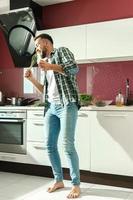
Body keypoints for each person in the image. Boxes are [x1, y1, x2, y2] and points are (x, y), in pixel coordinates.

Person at [25, 33, 81, 199]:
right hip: (51, 107)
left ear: (45, 42)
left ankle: (76, 185)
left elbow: (73, 69)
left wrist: (51, 67)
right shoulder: (45, 63)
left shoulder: (61, 52)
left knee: (67, 145)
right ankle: (59, 180)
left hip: (67, 104)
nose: (36, 49)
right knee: (49, 145)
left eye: (37, 45)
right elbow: (45, 90)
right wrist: (32, 80)